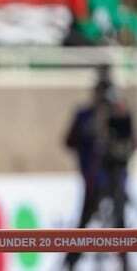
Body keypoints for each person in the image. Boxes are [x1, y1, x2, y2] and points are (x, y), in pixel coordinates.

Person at [64, 66, 134, 270]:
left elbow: (129, 141)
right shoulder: (85, 114)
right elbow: (69, 141)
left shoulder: (120, 113)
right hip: (94, 178)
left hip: (116, 177)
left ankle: (126, 265)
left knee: (120, 227)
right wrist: (90, 132)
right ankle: (70, 263)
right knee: (83, 225)